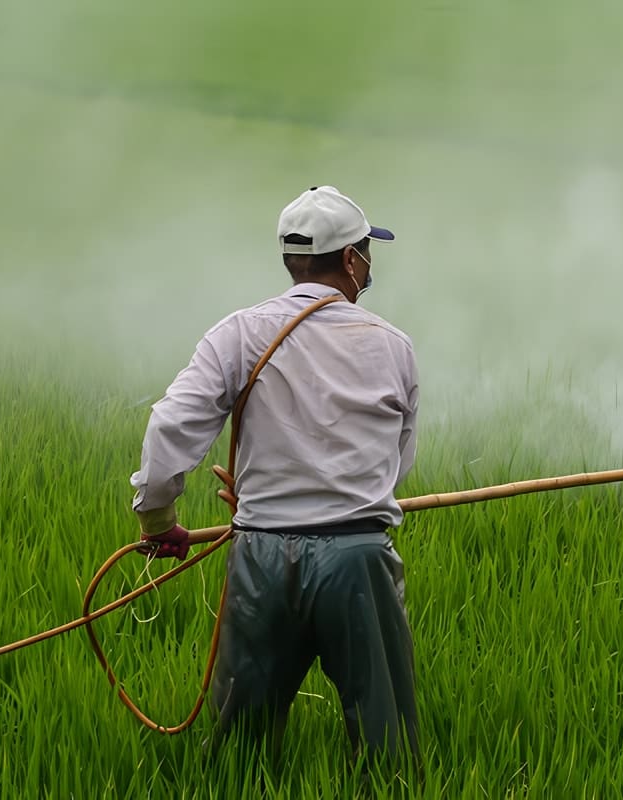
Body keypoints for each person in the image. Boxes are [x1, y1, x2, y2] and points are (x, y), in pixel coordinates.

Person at [128, 185, 421, 769]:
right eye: (366, 250)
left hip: (261, 556)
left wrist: (160, 521)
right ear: (348, 259)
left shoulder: (238, 333)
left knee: (241, 753)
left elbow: (170, 427)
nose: (368, 263)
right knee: (389, 752)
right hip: (358, 557)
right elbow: (396, 463)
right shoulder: (392, 346)